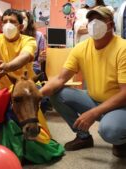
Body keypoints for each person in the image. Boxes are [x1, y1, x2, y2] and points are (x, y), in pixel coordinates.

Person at [40, 6, 126, 157]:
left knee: (110, 131)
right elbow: (60, 79)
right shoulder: (80, 48)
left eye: (99, 20)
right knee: (57, 93)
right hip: (93, 99)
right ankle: (83, 137)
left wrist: (93, 113)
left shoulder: (122, 48)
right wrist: (36, 95)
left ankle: (121, 141)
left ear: (111, 25)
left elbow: (125, 93)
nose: (94, 24)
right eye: (91, 20)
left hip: (120, 106)